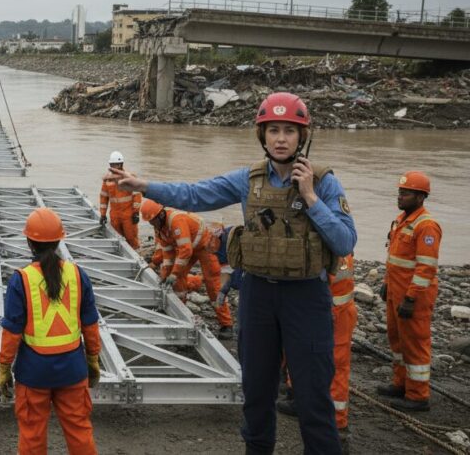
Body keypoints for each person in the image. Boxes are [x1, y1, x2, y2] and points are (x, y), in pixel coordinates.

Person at [106, 92, 357, 455]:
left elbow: (345, 241)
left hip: (306, 298)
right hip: (258, 297)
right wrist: (144, 186)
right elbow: (194, 194)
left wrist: (311, 197)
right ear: (262, 135)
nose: (281, 139)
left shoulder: (323, 182)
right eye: (273, 130)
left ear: (302, 136)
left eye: (289, 130)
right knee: (256, 390)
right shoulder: (247, 180)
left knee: (313, 395)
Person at [0, 207, 101, 455]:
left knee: (32, 434)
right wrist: (92, 359)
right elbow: (90, 323)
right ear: (58, 241)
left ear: (29, 242)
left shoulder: (21, 279)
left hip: (33, 373)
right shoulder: (78, 275)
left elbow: (12, 331)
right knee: (79, 431)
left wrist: (4, 367)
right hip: (73, 370)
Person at [376, 171, 441, 412]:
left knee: (414, 343)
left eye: (406, 193)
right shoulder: (401, 220)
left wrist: (411, 298)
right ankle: (400, 383)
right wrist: (386, 282)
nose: (400, 196)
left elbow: (426, 268)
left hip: (414, 296)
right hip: (396, 291)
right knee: (396, 339)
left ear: (421, 197)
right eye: (400, 192)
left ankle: (417, 396)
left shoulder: (427, 226)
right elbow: (394, 258)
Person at [278, 252, 358, 447]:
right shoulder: (325, 244)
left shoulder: (329, 248)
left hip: (335, 314)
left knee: (336, 366)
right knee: (299, 354)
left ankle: (337, 425)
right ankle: (298, 399)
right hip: (319, 309)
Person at [139, 199, 233, 339]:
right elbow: (168, 254)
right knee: (177, 280)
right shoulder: (160, 228)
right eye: (150, 222)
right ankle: (180, 310)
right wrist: (165, 274)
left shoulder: (176, 221)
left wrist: (174, 273)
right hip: (189, 247)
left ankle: (226, 324)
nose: (152, 224)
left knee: (213, 283)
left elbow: (185, 251)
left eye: (152, 221)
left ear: (161, 215)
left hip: (205, 246)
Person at [98, 151, 142, 249]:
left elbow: (137, 195)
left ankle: (136, 254)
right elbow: (103, 198)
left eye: (116, 164)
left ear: (121, 164)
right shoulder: (107, 179)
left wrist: (136, 213)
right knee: (117, 238)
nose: (114, 167)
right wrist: (103, 214)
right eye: (112, 165)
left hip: (128, 215)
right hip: (115, 215)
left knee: (131, 238)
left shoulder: (129, 177)